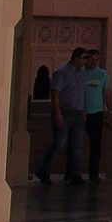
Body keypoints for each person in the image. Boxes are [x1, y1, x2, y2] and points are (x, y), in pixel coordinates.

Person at [36, 47, 91, 185]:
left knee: (77, 145)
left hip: (77, 113)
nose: (86, 61)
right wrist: (57, 112)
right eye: (84, 58)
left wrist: (83, 112)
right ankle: (43, 169)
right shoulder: (62, 73)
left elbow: (81, 94)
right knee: (59, 143)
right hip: (64, 112)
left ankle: (74, 174)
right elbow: (55, 93)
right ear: (76, 58)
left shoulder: (83, 74)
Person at [82, 48, 111, 181]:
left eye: (96, 60)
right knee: (76, 144)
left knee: (96, 145)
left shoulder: (102, 74)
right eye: (91, 59)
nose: (94, 62)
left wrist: (110, 109)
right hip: (81, 113)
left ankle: (93, 174)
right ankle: (72, 173)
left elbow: (106, 92)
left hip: (96, 113)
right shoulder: (80, 74)